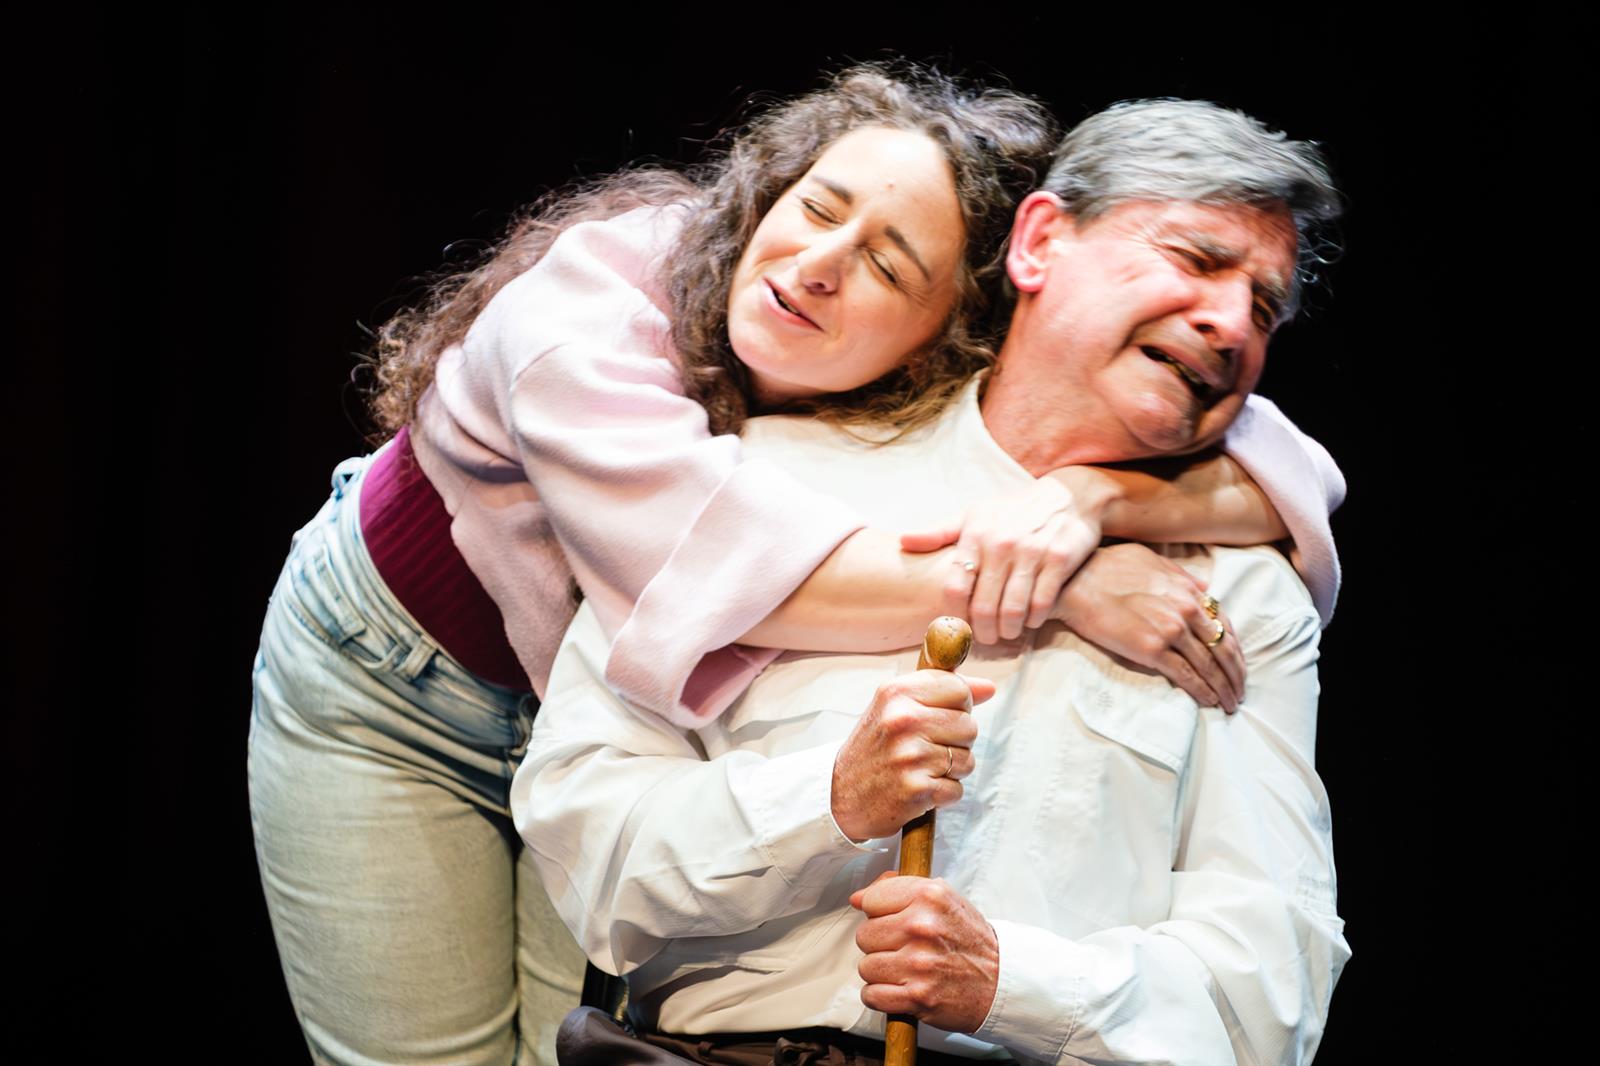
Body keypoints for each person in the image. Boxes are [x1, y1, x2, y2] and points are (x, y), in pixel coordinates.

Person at [250, 66, 1342, 1065]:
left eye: (1263, 305)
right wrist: (1059, 584)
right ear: (1039, 247)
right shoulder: (619, 340)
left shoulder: (1230, 577)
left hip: (569, 703)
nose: (1227, 321)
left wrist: (1098, 501)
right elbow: (722, 593)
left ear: (942, 323)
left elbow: (1300, 473)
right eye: (1195, 260)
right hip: (387, 673)